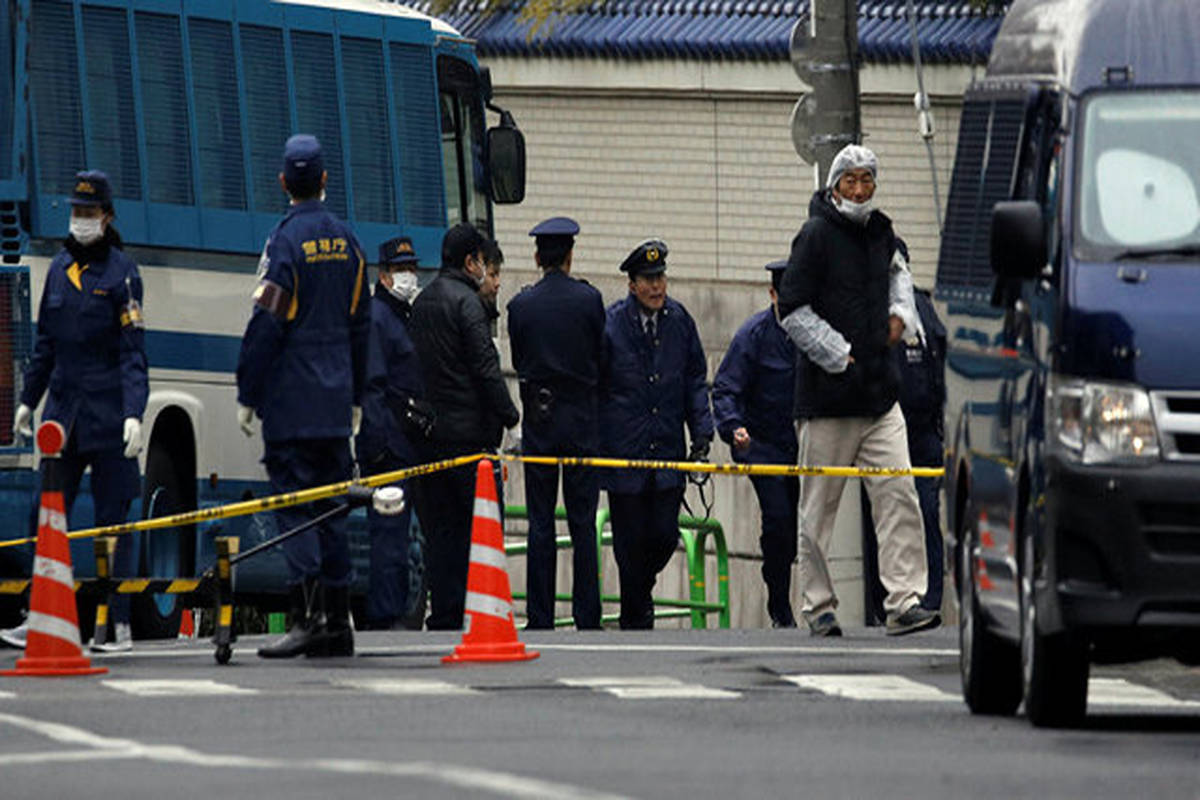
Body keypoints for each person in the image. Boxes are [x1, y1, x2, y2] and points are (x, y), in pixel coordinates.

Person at [776, 143, 939, 637]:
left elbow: (900, 277)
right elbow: (792, 310)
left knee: (899, 495)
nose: (860, 189)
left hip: (880, 396)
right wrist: (839, 353)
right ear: (835, 186)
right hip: (827, 401)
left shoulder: (883, 232)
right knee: (818, 510)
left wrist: (901, 316)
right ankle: (819, 605)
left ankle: (904, 601)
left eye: (868, 180)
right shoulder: (815, 236)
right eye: (851, 180)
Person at [237, 134, 370, 658]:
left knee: (295, 506)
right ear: (324, 179)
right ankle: (337, 621)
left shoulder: (284, 243)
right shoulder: (348, 242)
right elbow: (362, 324)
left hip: (292, 403)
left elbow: (267, 322)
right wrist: (357, 394)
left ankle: (307, 615)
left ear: (282, 183)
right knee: (332, 508)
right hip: (336, 403)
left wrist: (248, 391)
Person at [4, 170, 147, 654]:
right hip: (63, 414)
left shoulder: (123, 274)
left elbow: (133, 352)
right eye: (76, 212)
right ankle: (39, 614)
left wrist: (134, 413)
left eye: (89, 212)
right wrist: (28, 401)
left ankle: (117, 623)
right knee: (43, 515)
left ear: (107, 216)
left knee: (113, 521)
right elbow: (45, 345)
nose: (81, 220)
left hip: (108, 413)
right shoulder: (60, 269)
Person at [410, 222, 519, 630]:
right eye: (483, 261)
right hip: (470, 442)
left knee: (441, 536)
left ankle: (445, 615)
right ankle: (482, 615)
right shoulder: (468, 305)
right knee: (480, 532)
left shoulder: (422, 302)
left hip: (430, 440)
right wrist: (511, 418)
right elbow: (486, 370)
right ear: (471, 262)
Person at [599, 239, 713, 629]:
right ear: (632, 285)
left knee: (665, 535)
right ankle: (636, 616)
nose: (656, 286)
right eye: (648, 280)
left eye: (660, 278)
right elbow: (598, 387)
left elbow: (695, 380)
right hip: (625, 452)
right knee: (628, 543)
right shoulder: (612, 324)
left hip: (667, 450)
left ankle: (638, 596)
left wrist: (702, 432)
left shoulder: (680, 321)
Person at [507, 217, 605, 630]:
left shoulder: (521, 306)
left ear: (537, 258)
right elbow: (600, 355)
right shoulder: (589, 300)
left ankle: (540, 616)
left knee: (540, 521)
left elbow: (519, 361)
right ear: (570, 256)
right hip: (582, 419)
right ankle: (588, 616)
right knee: (583, 522)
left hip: (540, 419)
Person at [712, 259, 799, 628]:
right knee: (777, 519)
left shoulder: (813, 333)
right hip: (764, 447)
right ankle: (779, 604)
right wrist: (734, 427)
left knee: (799, 530)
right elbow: (725, 388)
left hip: (805, 447)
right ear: (772, 295)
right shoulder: (754, 335)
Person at [861, 279, 947, 623]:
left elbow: (940, 359)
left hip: (924, 435)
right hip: (882, 430)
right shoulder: (869, 301)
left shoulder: (921, 307)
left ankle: (928, 599)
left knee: (926, 514)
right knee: (884, 518)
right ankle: (884, 604)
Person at [356, 235, 426, 630]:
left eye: (412, 268)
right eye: (401, 269)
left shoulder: (400, 315)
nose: (409, 275)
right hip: (388, 447)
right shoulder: (377, 318)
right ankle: (385, 617)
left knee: (399, 539)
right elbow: (372, 387)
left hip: (404, 444)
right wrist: (377, 447)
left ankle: (394, 611)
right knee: (388, 537)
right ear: (383, 276)